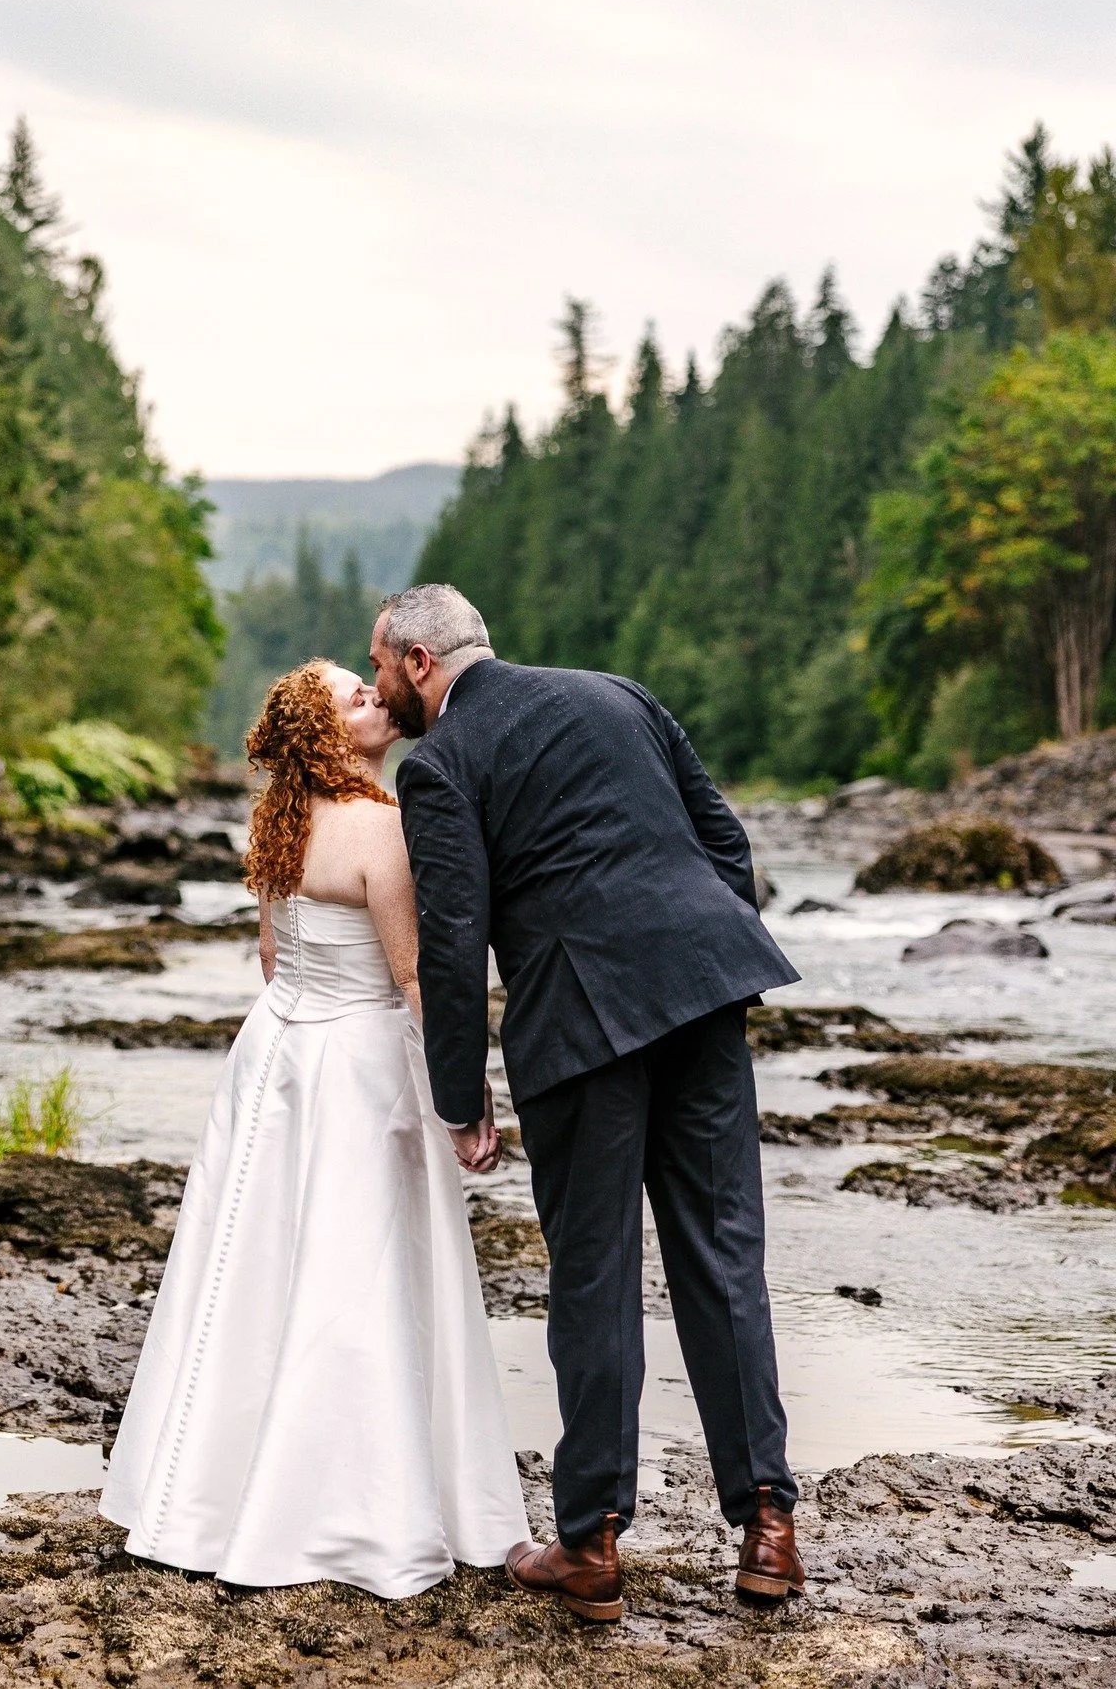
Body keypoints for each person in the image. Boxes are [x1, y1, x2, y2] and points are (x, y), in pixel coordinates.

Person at [369, 583, 805, 1623]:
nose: (380, 686)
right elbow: (724, 843)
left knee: (596, 1276)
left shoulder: (440, 763)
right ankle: (770, 1533)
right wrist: (698, 950)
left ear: (420, 662)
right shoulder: (620, 694)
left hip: (580, 1024)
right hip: (706, 987)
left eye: (380, 664)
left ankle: (592, 1545)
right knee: (722, 1258)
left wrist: (459, 1092)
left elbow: (453, 936)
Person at [99, 658, 528, 1597]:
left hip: (274, 1059)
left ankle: (206, 1494)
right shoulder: (382, 825)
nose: (375, 697)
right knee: (358, 1276)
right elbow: (415, 977)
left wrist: (297, 1037)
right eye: (355, 695)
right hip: (355, 1063)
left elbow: (270, 955)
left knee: (252, 1272)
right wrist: (466, 1095)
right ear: (330, 735)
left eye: (369, 685)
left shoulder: (278, 824)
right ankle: (353, 1505)